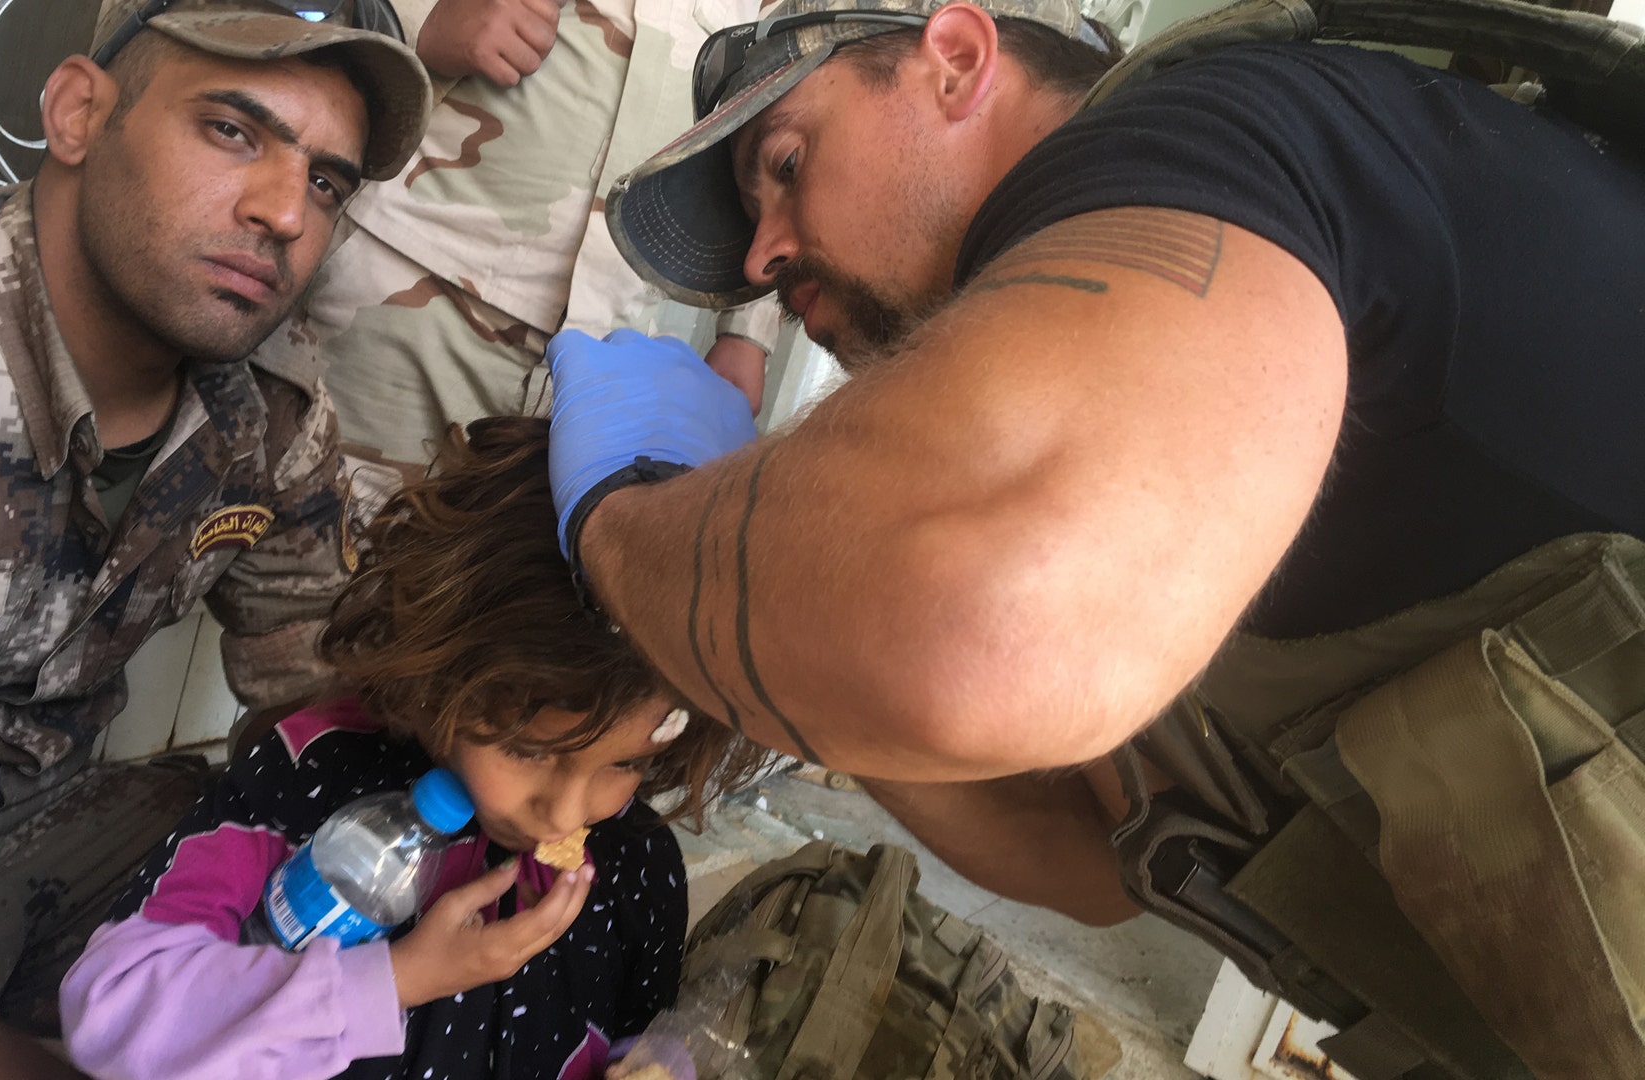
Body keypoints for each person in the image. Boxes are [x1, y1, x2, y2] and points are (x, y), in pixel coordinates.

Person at [538, 0, 1645, 1075]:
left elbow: (1001, 639)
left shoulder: (1210, 142)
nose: (763, 260)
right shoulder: (1137, 417)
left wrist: (617, 524)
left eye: (785, 163)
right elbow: (1087, 856)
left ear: (956, 60)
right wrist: (818, 636)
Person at [0, 1, 431, 1076]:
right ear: (78, 114)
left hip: (55, 857)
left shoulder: (269, 412)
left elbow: (325, 687)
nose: (287, 212)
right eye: (232, 130)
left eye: (328, 181)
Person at [59, 416, 771, 1080]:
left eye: (626, 763)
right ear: (440, 673)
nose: (563, 815)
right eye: (528, 750)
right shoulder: (315, 777)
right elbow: (112, 1010)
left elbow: (638, 1039)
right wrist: (396, 979)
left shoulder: (637, 863)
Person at [300, 0, 783, 474]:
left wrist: (748, 330)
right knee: (310, 512)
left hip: (601, 371)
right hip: (410, 292)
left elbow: (783, 83)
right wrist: (420, 18)